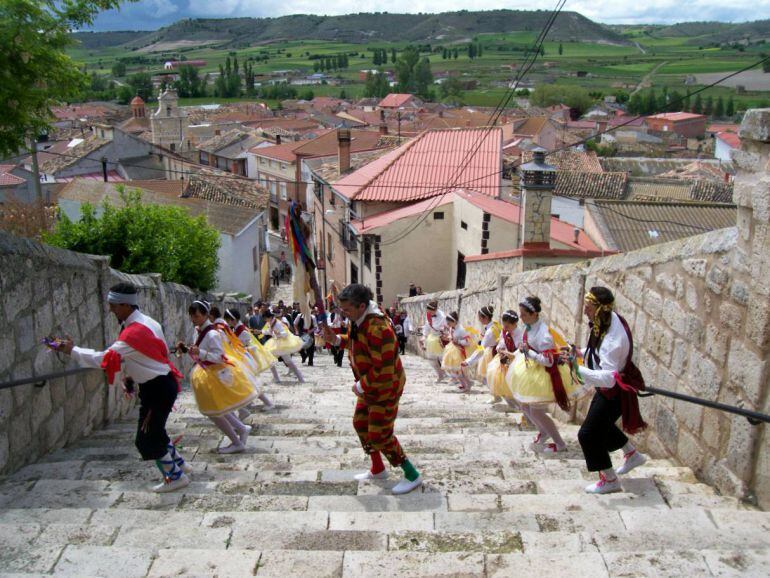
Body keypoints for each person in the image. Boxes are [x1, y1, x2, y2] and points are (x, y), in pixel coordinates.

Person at [50, 283, 191, 493]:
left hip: (157, 389)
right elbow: (149, 356)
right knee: (156, 431)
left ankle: (176, 477)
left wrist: (72, 350)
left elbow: (104, 359)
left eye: (114, 306)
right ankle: (180, 465)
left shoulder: (133, 334)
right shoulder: (148, 322)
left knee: (146, 439)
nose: (111, 310)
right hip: (161, 384)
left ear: (126, 305)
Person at [322, 284, 422, 495]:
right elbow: (358, 344)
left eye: (347, 310)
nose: (344, 314)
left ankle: (412, 474)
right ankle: (378, 468)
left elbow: (384, 368)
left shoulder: (379, 328)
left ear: (361, 306)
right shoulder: (358, 318)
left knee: (380, 434)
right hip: (370, 386)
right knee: (360, 423)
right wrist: (337, 340)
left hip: (386, 386)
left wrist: (360, 385)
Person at [568, 287, 648, 495]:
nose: (584, 311)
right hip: (611, 389)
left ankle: (610, 480)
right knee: (601, 425)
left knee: (588, 434)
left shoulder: (612, 340)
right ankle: (632, 455)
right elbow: (599, 354)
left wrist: (577, 369)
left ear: (599, 308)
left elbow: (609, 378)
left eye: (588, 307)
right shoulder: (610, 320)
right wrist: (579, 353)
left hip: (614, 391)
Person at [506, 296, 584, 454]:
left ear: (534, 314)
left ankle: (560, 443)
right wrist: (520, 351)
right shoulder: (530, 327)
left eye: (524, 314)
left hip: (543, 374)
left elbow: (548, 361)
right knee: (524, 405)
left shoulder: (543, 334)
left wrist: (529, 352)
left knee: (536, 411)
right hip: (531, 370)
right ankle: (543, 431)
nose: (521, 317)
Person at [183, 301, 257, 454]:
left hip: (214, 375)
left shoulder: (212, 334)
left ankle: (237, 440)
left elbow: (219, 357)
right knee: (219, 409)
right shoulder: (201, 331)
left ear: (206, 315)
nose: (193, 319)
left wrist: (200, 353)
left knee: (215, 411)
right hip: (207, 374)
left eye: (196, 316)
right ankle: (241, 430)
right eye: (192, 316)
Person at [223, 308, 277, 411]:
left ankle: (268, 403)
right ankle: (248, 402)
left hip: (244, 360)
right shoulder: (237, 328)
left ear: (233, 320)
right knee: (247, 382)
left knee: (251, 382)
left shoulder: (241, 330)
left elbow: (244, 345)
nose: (227, 322)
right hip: (242, 358)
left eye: (227, 320)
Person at [462, 306, 502, 400]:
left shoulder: (490, 331)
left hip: (491, 353)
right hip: (495, 351)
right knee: (489, 376)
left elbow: (481, 349)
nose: (479, 319)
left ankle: (497, 396)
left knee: (487, 377)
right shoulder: (495, 325)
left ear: (485, 317)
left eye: (479, 317)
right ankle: (496, 396)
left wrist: (469, 361)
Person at [486, 310, 523, 408]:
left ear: (514, 324)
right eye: (504, 325)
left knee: (510, 383)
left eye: (507, 326)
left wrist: (510, 354)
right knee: (496, 377)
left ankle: (516, 406)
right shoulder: (505, 331)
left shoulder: (519, 334)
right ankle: (499, 397)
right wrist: (500, 348)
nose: (505, 328)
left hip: (515, 360)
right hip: (504, 358)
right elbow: (502, 341)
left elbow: (520, 350)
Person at [261, 309, 305, 382]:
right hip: (275, 343)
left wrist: (278, 333)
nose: (265, 320)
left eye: (265, 318)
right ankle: (276, 378)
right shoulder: (270, 322)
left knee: (288, 362)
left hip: (282, 344)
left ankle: (300, 377)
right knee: (270, 360)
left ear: (269, 317)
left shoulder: (278, 323)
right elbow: (270, 332)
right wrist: (261, 331)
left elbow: (285, 333)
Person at [441, 312, 475, 393]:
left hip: (459, 352)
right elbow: (452, 337)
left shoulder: (461, 330)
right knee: (455, 370)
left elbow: (468, 342)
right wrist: (448, 338)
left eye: (449, 322)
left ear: (454, 321)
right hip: (452, 350)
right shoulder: (452, 328)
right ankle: (466, 383)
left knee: (459, 370)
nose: (448, 324)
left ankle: (467, 385)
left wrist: (458, 341)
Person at [420, 301, 448, 384]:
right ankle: (440, 375)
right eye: (428, 310)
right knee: (432, 359)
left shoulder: (442, 316)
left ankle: (452, 376)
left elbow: (447, 327)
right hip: (431, 339)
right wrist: (424, 336)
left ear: (435, 309)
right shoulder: (429, 314)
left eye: (430, 311)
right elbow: (427, 325)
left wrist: (444, 334)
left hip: (440, 339)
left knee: (443, 358)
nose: (428, 312)